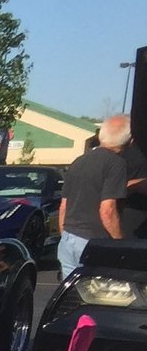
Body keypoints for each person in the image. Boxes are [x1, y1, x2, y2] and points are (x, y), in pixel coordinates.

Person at [58, 116, 135, 279]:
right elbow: (107, 211)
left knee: (71, 297)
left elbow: (64, 206)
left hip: (68, 239)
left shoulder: (78, 161)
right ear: (129, 141)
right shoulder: (116, 164)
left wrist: (64, 235)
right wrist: (121, 245)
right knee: (98, 296)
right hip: (93, 242)